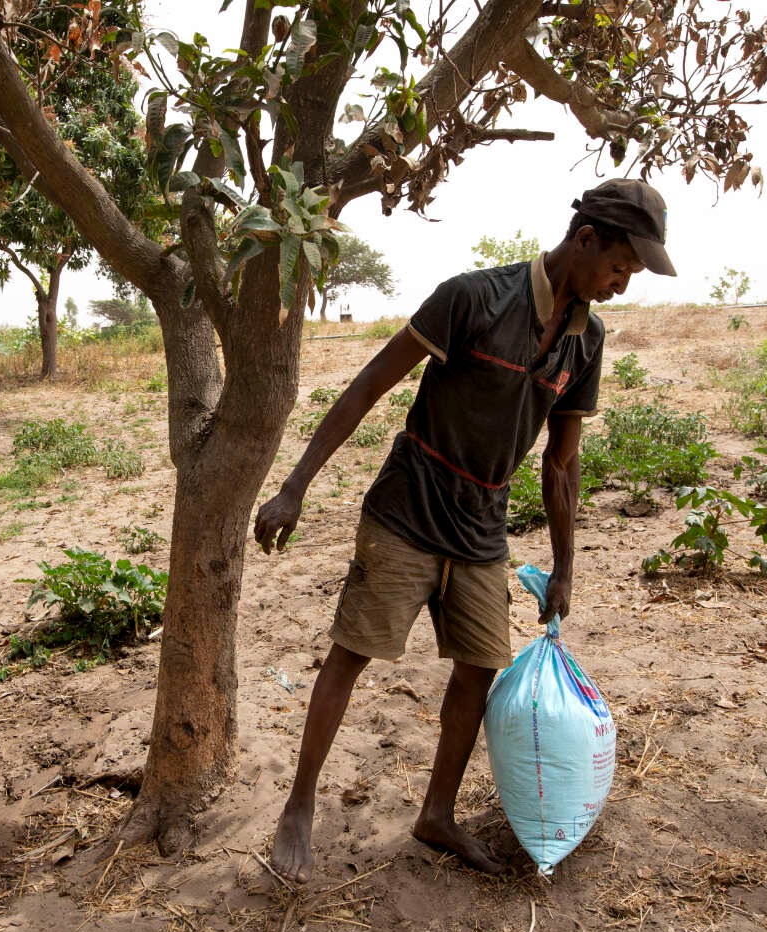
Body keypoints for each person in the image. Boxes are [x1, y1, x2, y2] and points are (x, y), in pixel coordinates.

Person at [253, 178, 676, 882]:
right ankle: (299, 804)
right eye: (618, 268)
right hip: (408, 509)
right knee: (352, 653)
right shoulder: (473, 298)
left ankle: (436, 814)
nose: (620, 286)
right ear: (585, 241)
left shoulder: (586, 342)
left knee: (479, 668)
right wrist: (294, 487)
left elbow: (562, 465)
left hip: (483, 524)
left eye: (629, 276)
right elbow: (366, 387)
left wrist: (566, 566)